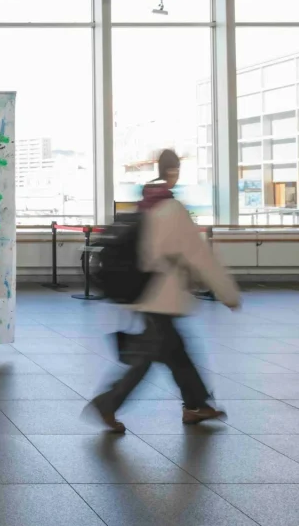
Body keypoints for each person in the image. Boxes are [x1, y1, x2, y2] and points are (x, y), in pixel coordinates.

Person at [90, 149, 240, 432]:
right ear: (173, 172)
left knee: (176, 352)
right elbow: (200, 257)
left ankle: (196, 405)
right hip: (161, 295)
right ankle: (108, 403)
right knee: (148, 357)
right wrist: (227, 294)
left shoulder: (145, 204)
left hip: (144, 291)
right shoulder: (173, 210)